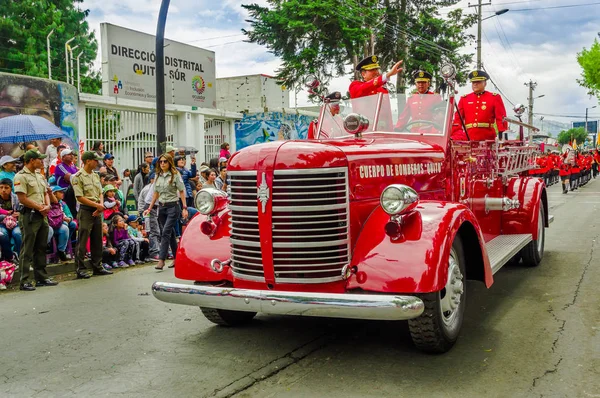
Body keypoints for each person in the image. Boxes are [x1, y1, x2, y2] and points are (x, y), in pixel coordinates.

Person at [14, 150, 57, 291]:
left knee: (41, 246)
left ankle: (41, 277)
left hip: (42, 214)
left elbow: (45, 193)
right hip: (30, 215)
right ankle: (24, 280)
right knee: (27, 248)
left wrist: (47, 205)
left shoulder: (39, 176)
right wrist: (40, 207)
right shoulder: (20, 176)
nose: (41, 161)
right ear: (32, 160)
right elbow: (22, 198)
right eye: (39, 159)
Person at [71, 151, 113, 279]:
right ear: (88, 161)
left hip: (97, 209)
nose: (97, 163)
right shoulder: (78, 176)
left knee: (97, 239)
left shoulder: (95, 176)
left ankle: (97, 266)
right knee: (83, 240)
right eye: (95, 160)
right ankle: (80, 268)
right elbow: (80, 197)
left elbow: (100, 192)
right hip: (86, 210)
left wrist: (100, 206)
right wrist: (97, 206)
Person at [144, 154, 188, 270]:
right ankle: (177, 257)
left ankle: (161, 259)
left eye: (165, 161)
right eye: (161, 162)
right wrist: (150, 207)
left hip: (173, 206)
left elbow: (182, 191)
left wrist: (184, 207)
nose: (162, 163)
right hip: (162, 207)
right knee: (170, 233)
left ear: (169, 163)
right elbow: (156, 193)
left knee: (165, 232)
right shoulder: (158, 175)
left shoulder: (175, 175)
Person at [451, 70, 508, 141]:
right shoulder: (464, 99)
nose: (475, 84)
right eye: (473, 82)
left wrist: (502, 137)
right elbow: (457, 121)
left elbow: (501, 119)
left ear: (485, 83)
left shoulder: (494, 97)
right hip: (468, 138)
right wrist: (455, 136)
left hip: (488, 139)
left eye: (478, 82)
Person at [47, 186, 72, 262]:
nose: (62, 194)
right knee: (49, 230)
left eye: (62, 192)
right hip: (49, 224)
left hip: (58, 224)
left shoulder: (62, 204)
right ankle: (47, 248)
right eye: (60, 192)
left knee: (66, 228)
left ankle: (61, 250)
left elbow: (69, 215)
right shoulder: (46, 201)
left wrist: (69, 219)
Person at [139, 173, 160, 260]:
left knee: (159, 230)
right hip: (150, 208)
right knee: (153, 230)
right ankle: (154, 252)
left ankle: (160, 250)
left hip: (157, 207)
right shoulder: (150, 187)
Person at [0, 178, 21, 263]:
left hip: (15, 223)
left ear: (11, 188)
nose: (3, 190)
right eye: (1, 187)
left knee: (18, 234)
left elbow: (22, 210)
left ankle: (21, 257)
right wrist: (5, 215)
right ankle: (10, 257)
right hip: (1, 223)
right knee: (2, 234)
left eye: (6, 187)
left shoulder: (16, 198)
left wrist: (19, 214)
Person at [54, 148, 78, 218]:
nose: (71, 156)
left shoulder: (73, 167)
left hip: (73, 188)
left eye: (72, 154)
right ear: (63, 157)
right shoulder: (60, 166)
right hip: (64, 190)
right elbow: (70, 178)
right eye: (69, 154)